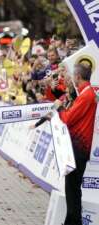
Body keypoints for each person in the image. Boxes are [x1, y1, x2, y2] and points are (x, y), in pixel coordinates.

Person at [53, 64, 97, 225]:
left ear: (78, 77)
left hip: (78, 149)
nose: (71, 78)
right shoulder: (86, 93)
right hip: (78, 148)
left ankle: (74, 222)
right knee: (72, 190)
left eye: (73, 75)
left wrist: (59, 108)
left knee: (72, 190)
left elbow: (67, 119)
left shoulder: (87, 95)